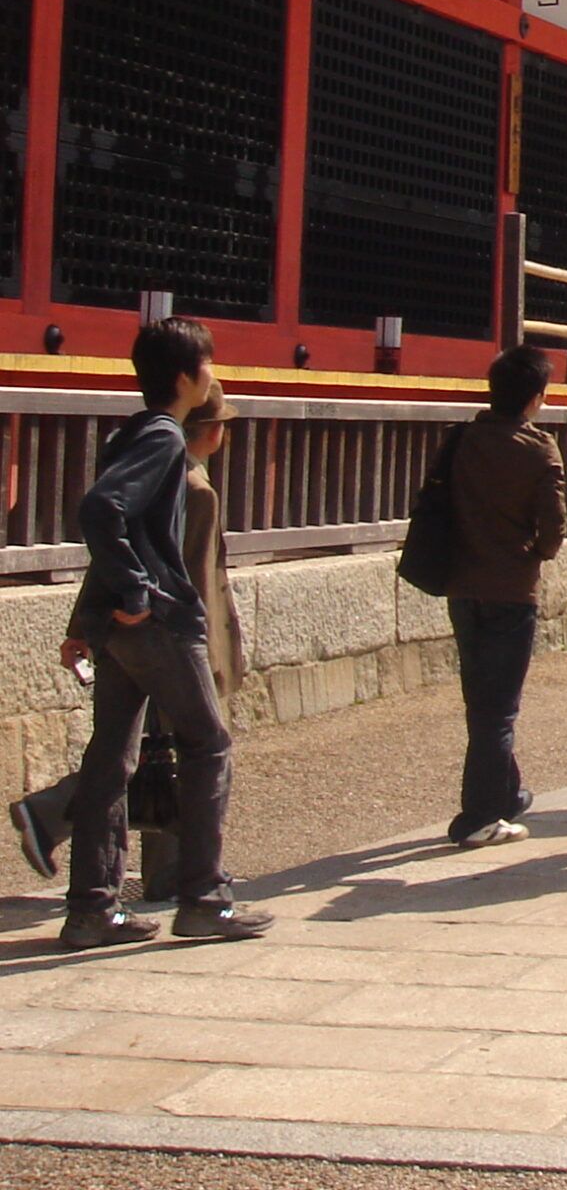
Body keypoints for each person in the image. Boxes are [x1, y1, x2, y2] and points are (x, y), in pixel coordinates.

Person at [59, 319, 269, 947]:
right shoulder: (163, 440)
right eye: (206, 364)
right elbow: (103, 510)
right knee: (206, 745)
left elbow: (121, 527)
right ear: (185, 377)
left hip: (118, 627)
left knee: (112, 757)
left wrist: (93, 613)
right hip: (159, 624)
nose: (212, 373)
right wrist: (135, 594)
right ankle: (204, 897)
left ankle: (92, 907)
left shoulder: (130, 433)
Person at [444, 345, 567, 848]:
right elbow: (555, 527)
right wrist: (536, 550)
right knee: (499, 708)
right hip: (512, 584)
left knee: (481, 696)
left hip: (463, 578)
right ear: (536, 398)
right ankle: (479, 814)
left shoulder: (463, 440)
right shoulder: (538, 449)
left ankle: (507, 791)